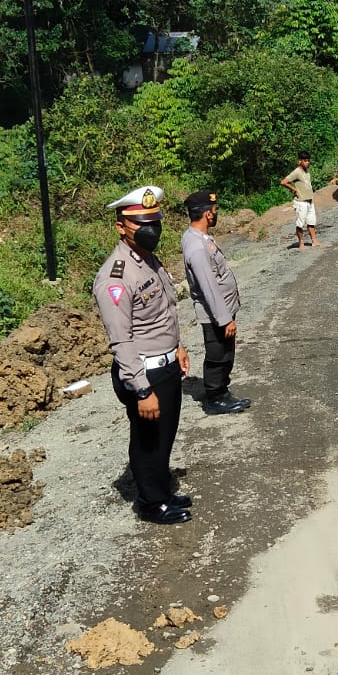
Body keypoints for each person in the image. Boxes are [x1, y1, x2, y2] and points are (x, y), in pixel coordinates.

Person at [93, 185, 192, 525]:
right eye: (141, 223)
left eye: (155, 220)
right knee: (148, 440)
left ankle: (161, 489)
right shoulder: (115, 277)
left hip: (165, 364)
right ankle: (151, 503)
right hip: (144, 373)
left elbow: (164, 311)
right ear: (121, 226)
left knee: (164, 435)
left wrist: (176, 346)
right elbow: (121, 341)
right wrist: (142, 389)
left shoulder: (149, 260)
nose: (152, 229)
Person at [180, 190, 251, 415]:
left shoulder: (199, 238)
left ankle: (222, 391)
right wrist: (224, 319)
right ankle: (215, 399)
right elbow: (209, 287)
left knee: (224, 353)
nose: (216, 213)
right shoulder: (197, 246)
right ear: (208, 215)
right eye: (215, 210)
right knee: (218, 356)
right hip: (215, 314)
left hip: (220, 311)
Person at [280, 151, 321, 248]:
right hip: (301, 201)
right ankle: (301, 242)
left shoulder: (306, 171)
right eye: (305, 161)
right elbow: (283, 182)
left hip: (309, 200)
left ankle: (314, 241)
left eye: (308, 161)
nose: (307, 162)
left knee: (311, 222)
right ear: (299, 161)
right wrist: (294, 189)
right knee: (300, 223)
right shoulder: (296, 172)